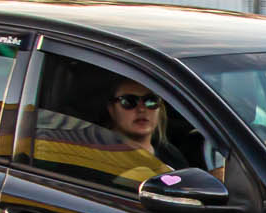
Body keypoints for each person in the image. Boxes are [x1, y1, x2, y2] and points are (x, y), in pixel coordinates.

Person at [33, 77, 175, 188]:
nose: (142, 109)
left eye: (151, 101)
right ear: (111, 109)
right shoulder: (92, 159)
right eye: (128, 102)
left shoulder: (170, 153)